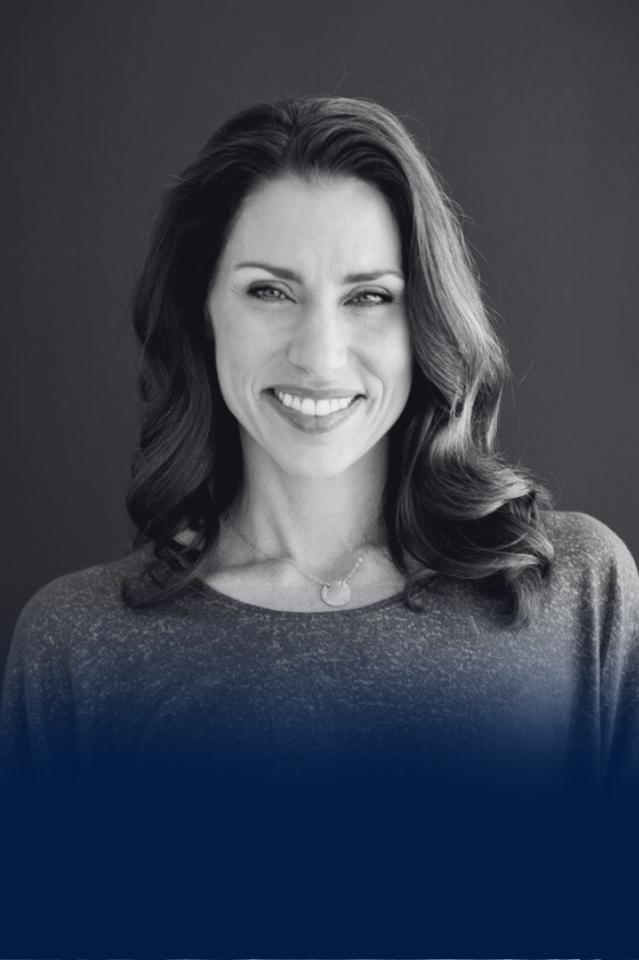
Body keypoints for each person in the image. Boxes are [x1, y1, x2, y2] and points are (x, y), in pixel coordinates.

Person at [1, 95, 638, 945]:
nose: (319, 353)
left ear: (421, 322)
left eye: (368, 297)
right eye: (270, 290)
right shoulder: (76, 646)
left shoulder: (572, 592)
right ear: (203, 308)